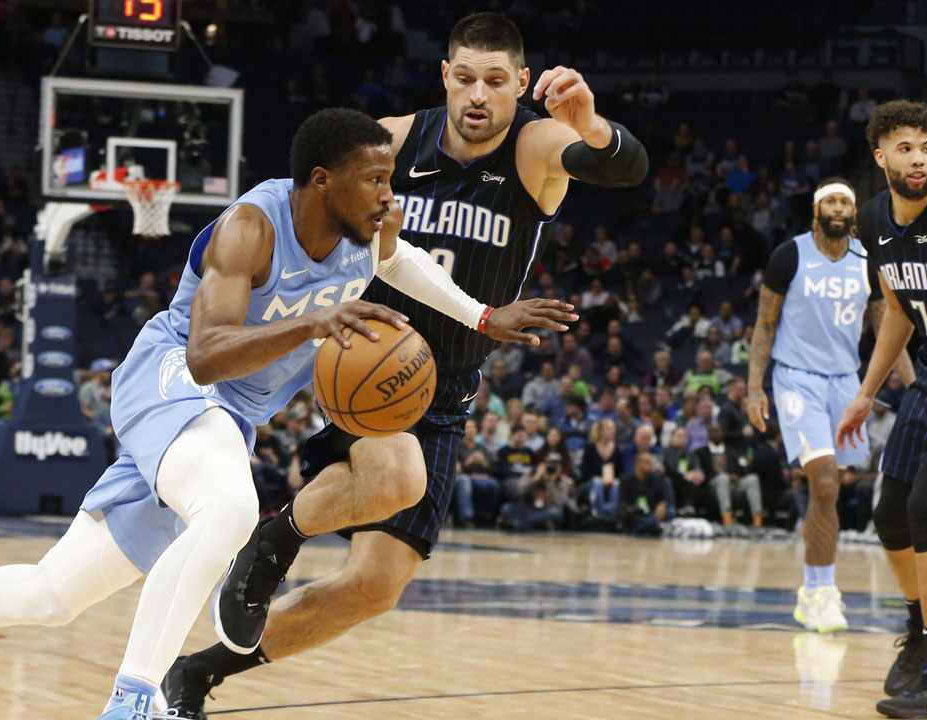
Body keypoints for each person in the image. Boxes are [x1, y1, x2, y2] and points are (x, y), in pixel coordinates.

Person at [0, 108, 561, 719]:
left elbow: (402, 262)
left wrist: (485, 316)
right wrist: (309, 325)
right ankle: (135, 701)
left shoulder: (372, 229)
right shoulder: (253, 226)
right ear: (322, 181)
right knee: (230, 507)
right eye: (374, 180)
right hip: (172, 381)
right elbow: (205, 355)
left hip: (222, 425)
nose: (389, 196)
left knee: (53, 594)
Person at [168, 15, 647, 714]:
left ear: (520, 83)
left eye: (493, 81)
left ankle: (198, 671)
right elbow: (308, 205)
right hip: (360, 361)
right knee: (395, 474)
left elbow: (621, 168)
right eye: (463, 78)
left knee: (374, 589)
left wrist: (594, 125)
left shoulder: (536, 145)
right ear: (444, 76)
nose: (476, 95)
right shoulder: (392, 140)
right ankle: (273, 541)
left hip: (445, 387)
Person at [746, 176, 914, 634]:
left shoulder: (868, 259)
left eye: (846, 202)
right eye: (832, 201)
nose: (840, 208)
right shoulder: (790, 255)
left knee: (834, 485)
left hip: (845, 383)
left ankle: (811, 592)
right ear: (817, 209)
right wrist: (754, 388)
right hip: (796, 379)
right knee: (823, 485)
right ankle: (820, 591)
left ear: (853, 212)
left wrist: (917, 386)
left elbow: (889, 330)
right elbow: (764, 324)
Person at [834, 100, 927, 715]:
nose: (919, 158)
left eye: (926, 147)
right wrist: (866, 393)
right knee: (890, 512)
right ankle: (920, 637)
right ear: (881, 156)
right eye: (905, 148)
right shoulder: (873, 222)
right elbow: (896, 311)